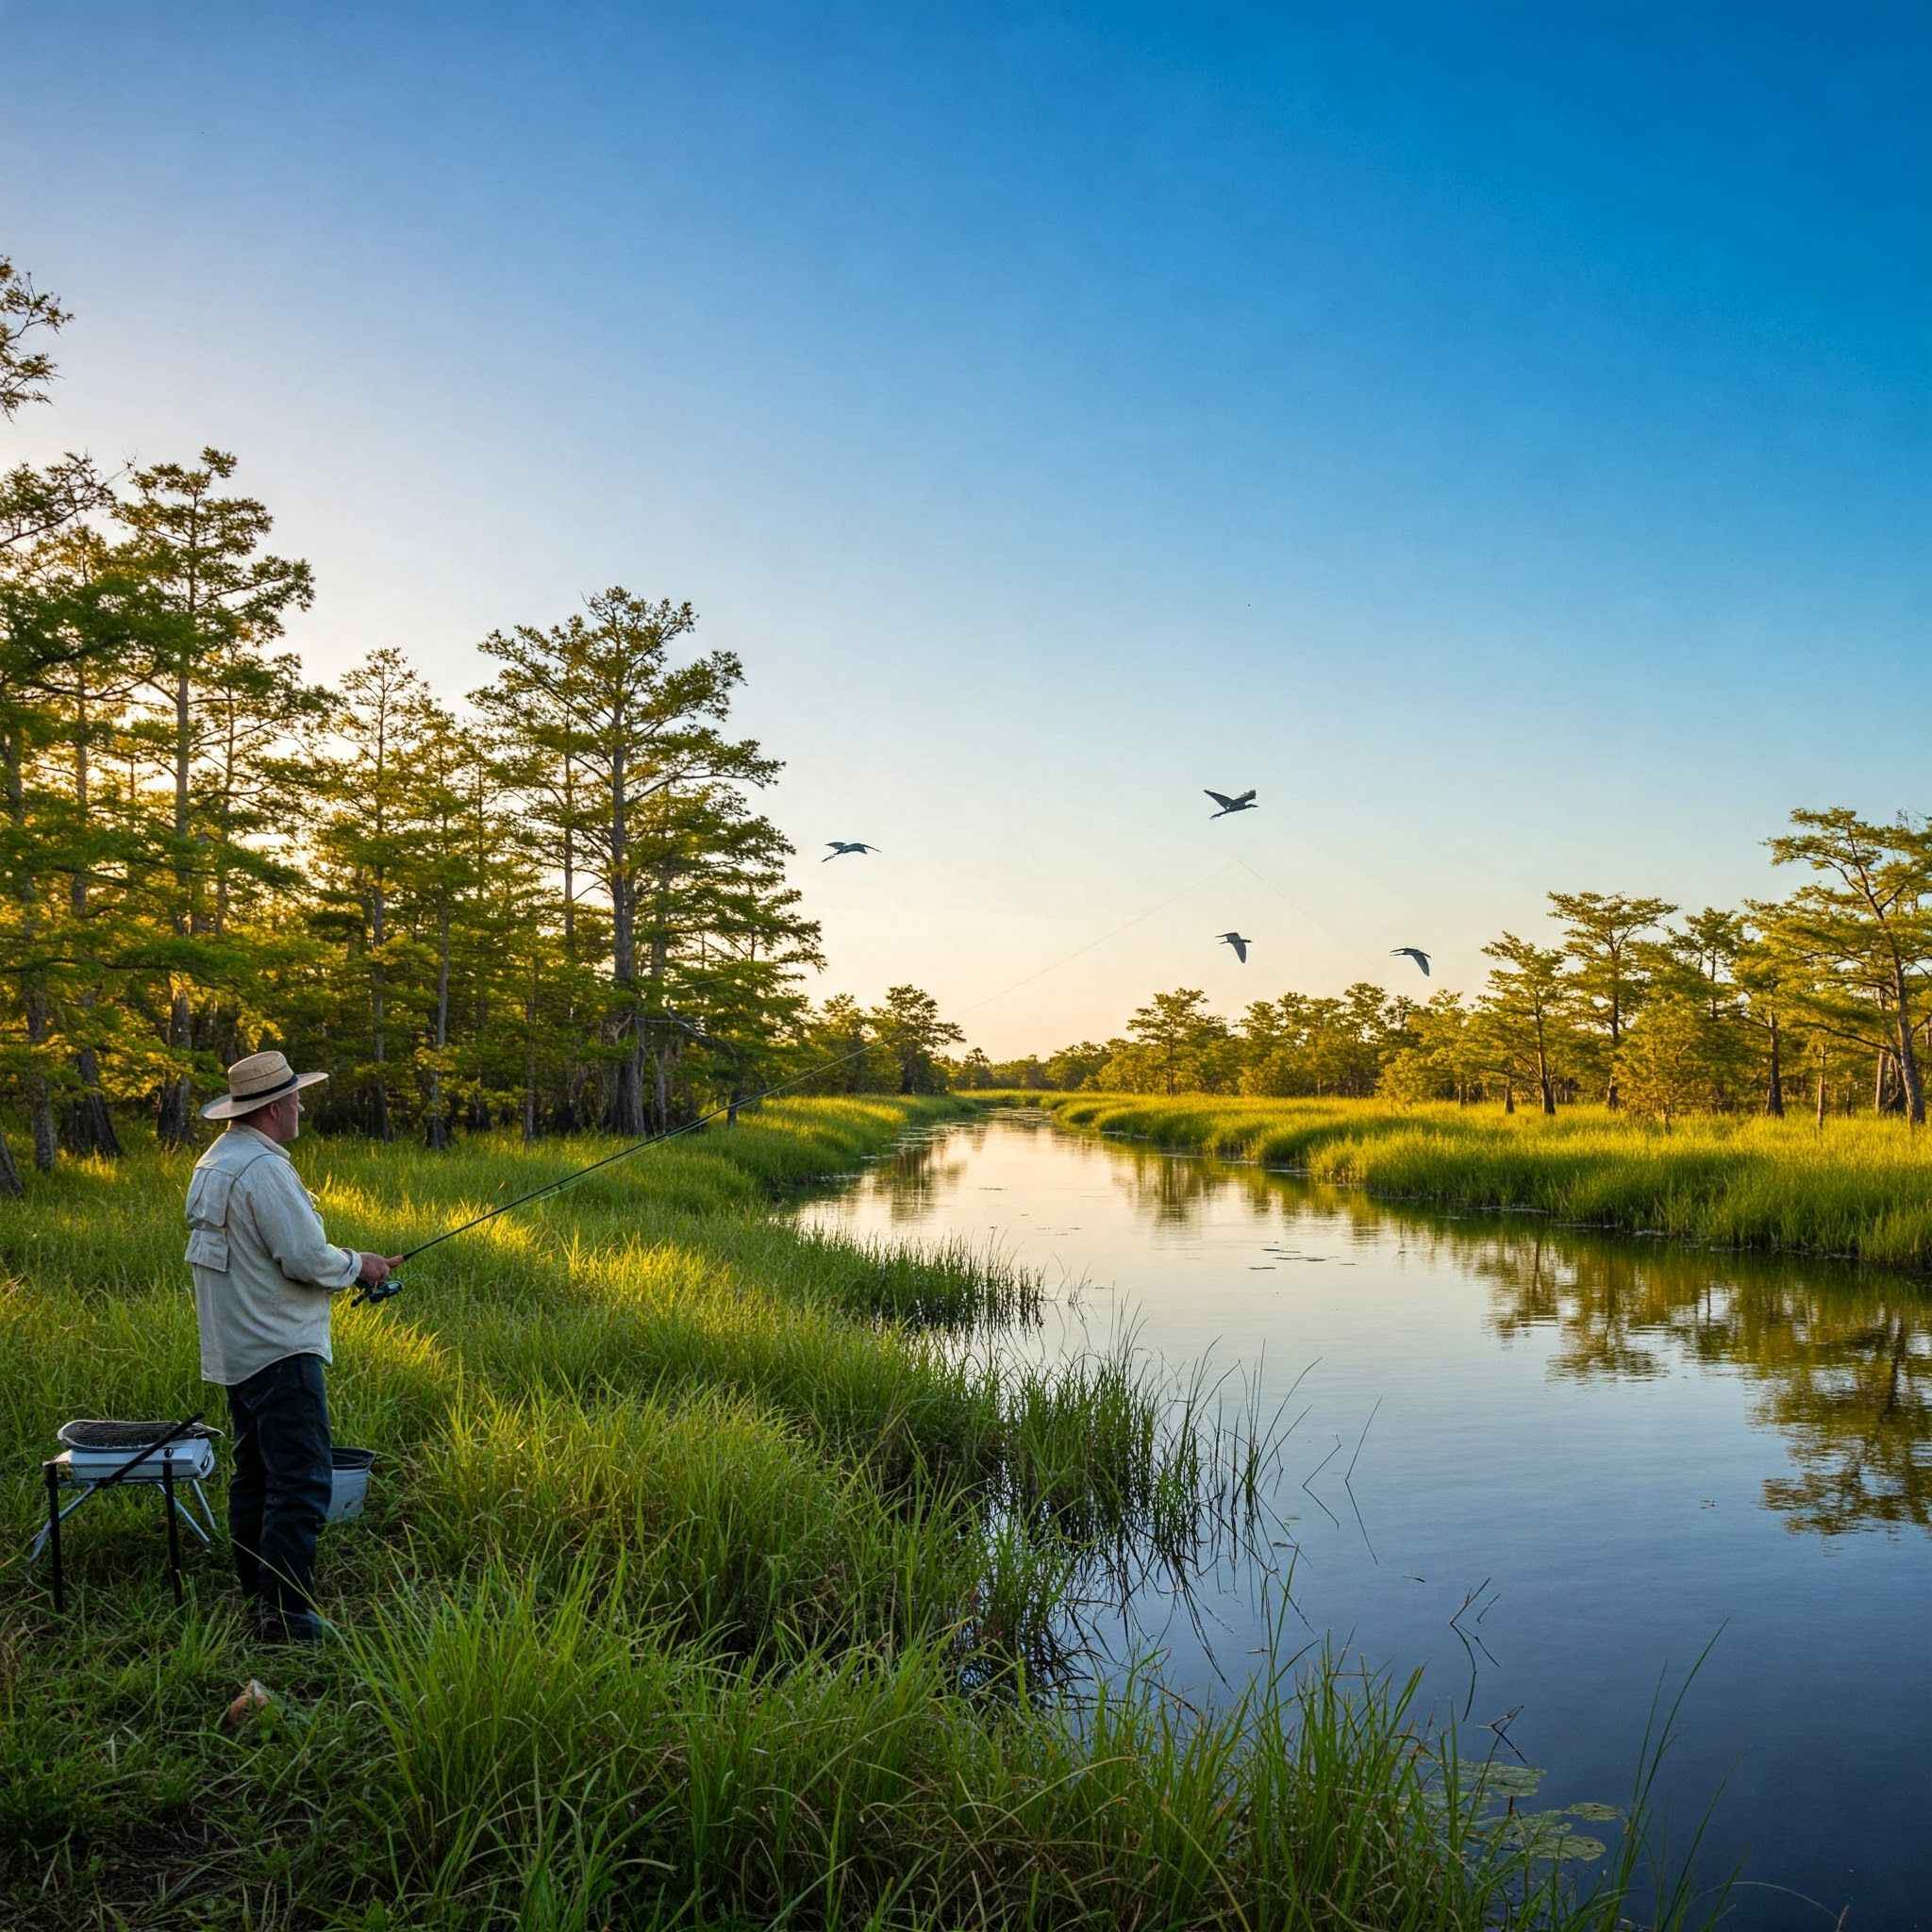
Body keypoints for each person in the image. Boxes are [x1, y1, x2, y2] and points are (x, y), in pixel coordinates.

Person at [185, 1051, 401, 1641]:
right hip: (279, 1348)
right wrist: (363, 1266)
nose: (302, 1105)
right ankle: (286, 1618)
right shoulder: (262, 1170)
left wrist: (356, 1264)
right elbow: (304, 1258)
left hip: (237, 1348)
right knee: (303, 1479)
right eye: (297, 1098)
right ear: (276, 1108)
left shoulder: (215, 1162)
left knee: (254, 1474)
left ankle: (259, 1596)